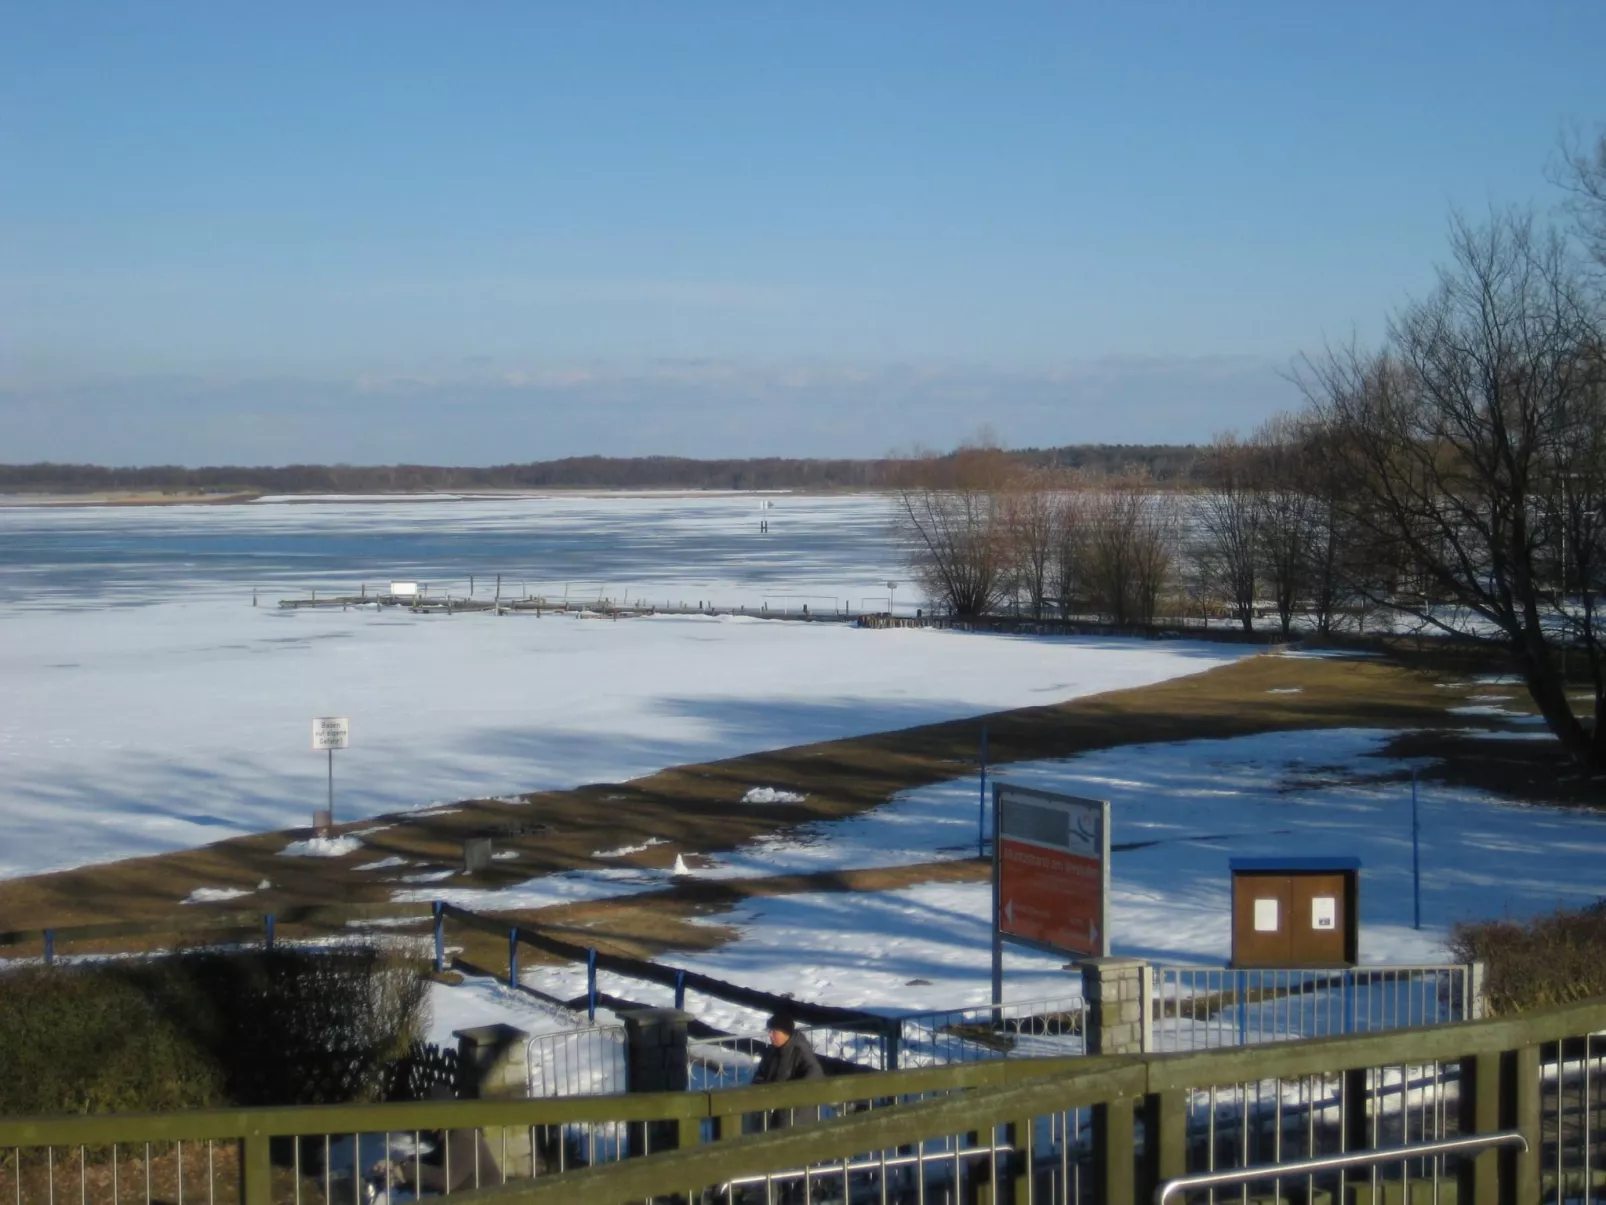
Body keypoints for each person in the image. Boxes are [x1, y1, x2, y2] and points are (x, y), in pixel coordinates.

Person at [370, 1084, 503, 1197]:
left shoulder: (463, 1136)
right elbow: (433, 1158)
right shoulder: (449, 1131)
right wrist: (398, 1164)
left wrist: (406, 1171)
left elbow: (445, 1179)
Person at [750, 1013, 825, 1129]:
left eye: (774, 1032)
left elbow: (815, 1075)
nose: (770, 1035)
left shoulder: (801, 1052)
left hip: (795, 1119)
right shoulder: (771, 1052)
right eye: (770, 1031)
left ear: (786, 1033)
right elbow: (760, 1075)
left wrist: (789, 1094)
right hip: (770, 1115)